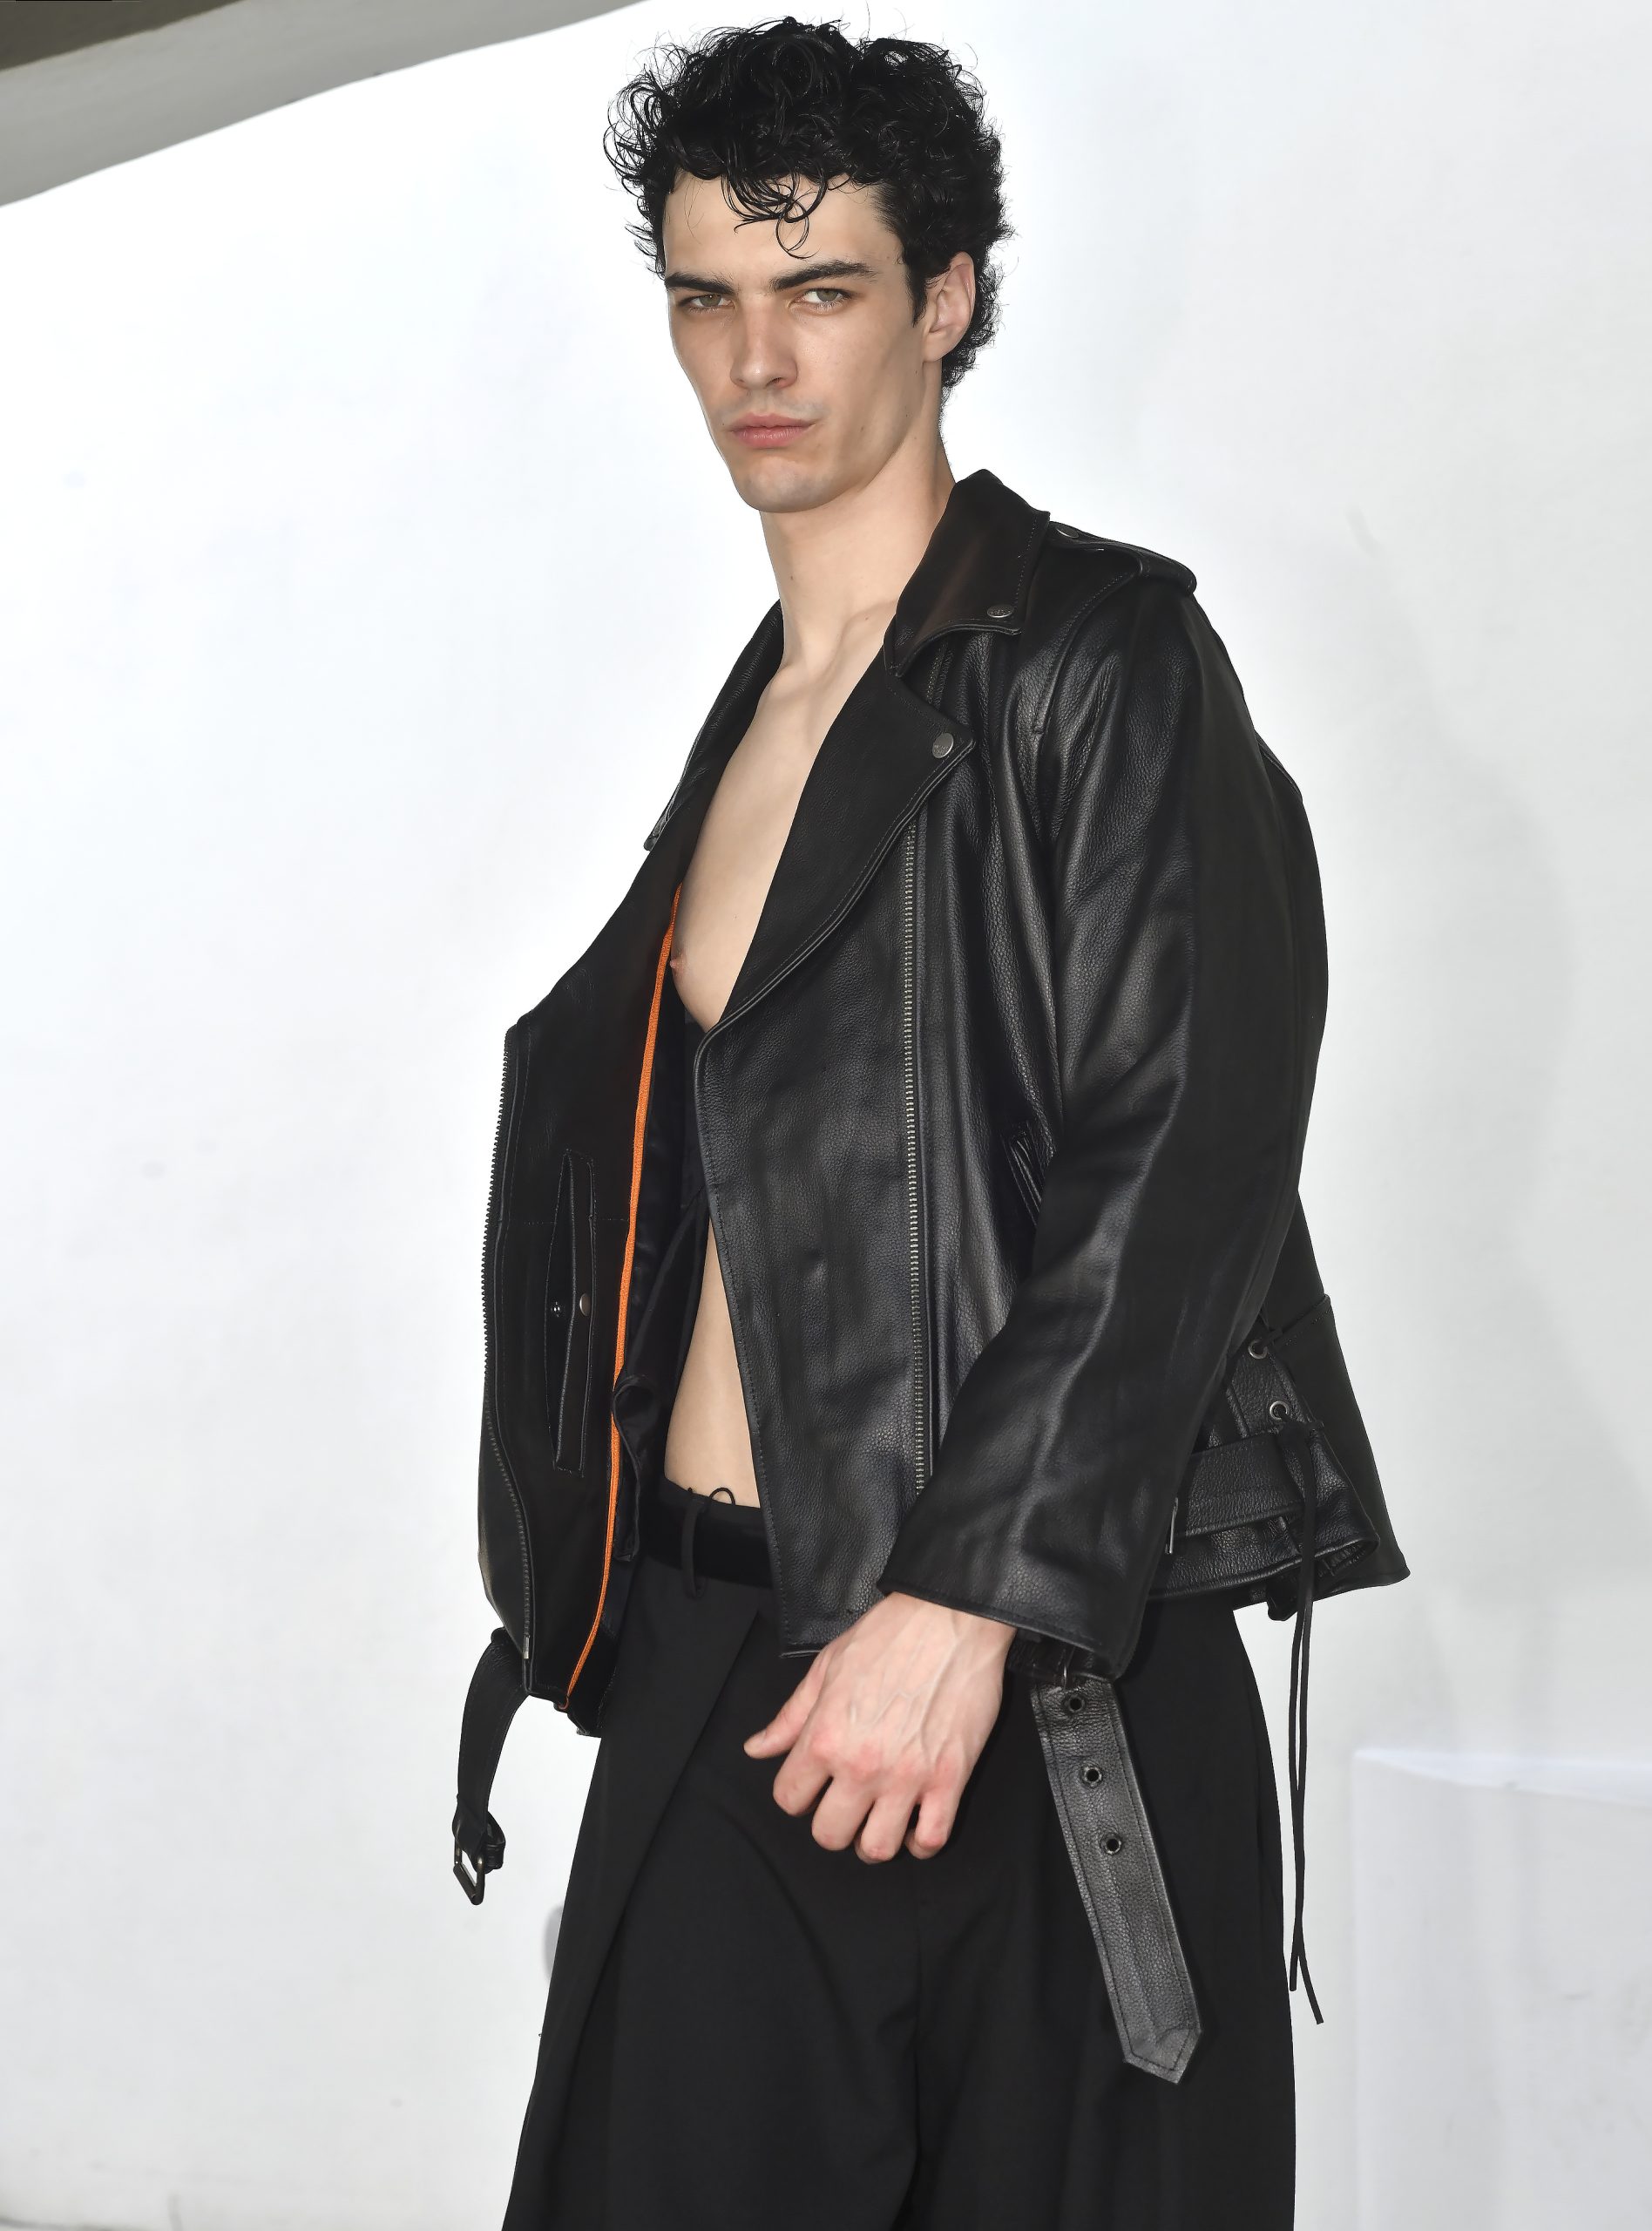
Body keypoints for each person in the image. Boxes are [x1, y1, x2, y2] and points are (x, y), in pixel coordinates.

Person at [450, 17, 1409, 2228]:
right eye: (705, 294)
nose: (753, 358)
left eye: (821, 288)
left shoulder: (1099, 658)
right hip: (722, 1645)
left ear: (946, 295)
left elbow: (1181, 1154)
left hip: (1035, 1669)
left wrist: (961, 1601)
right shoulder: (756, 721)